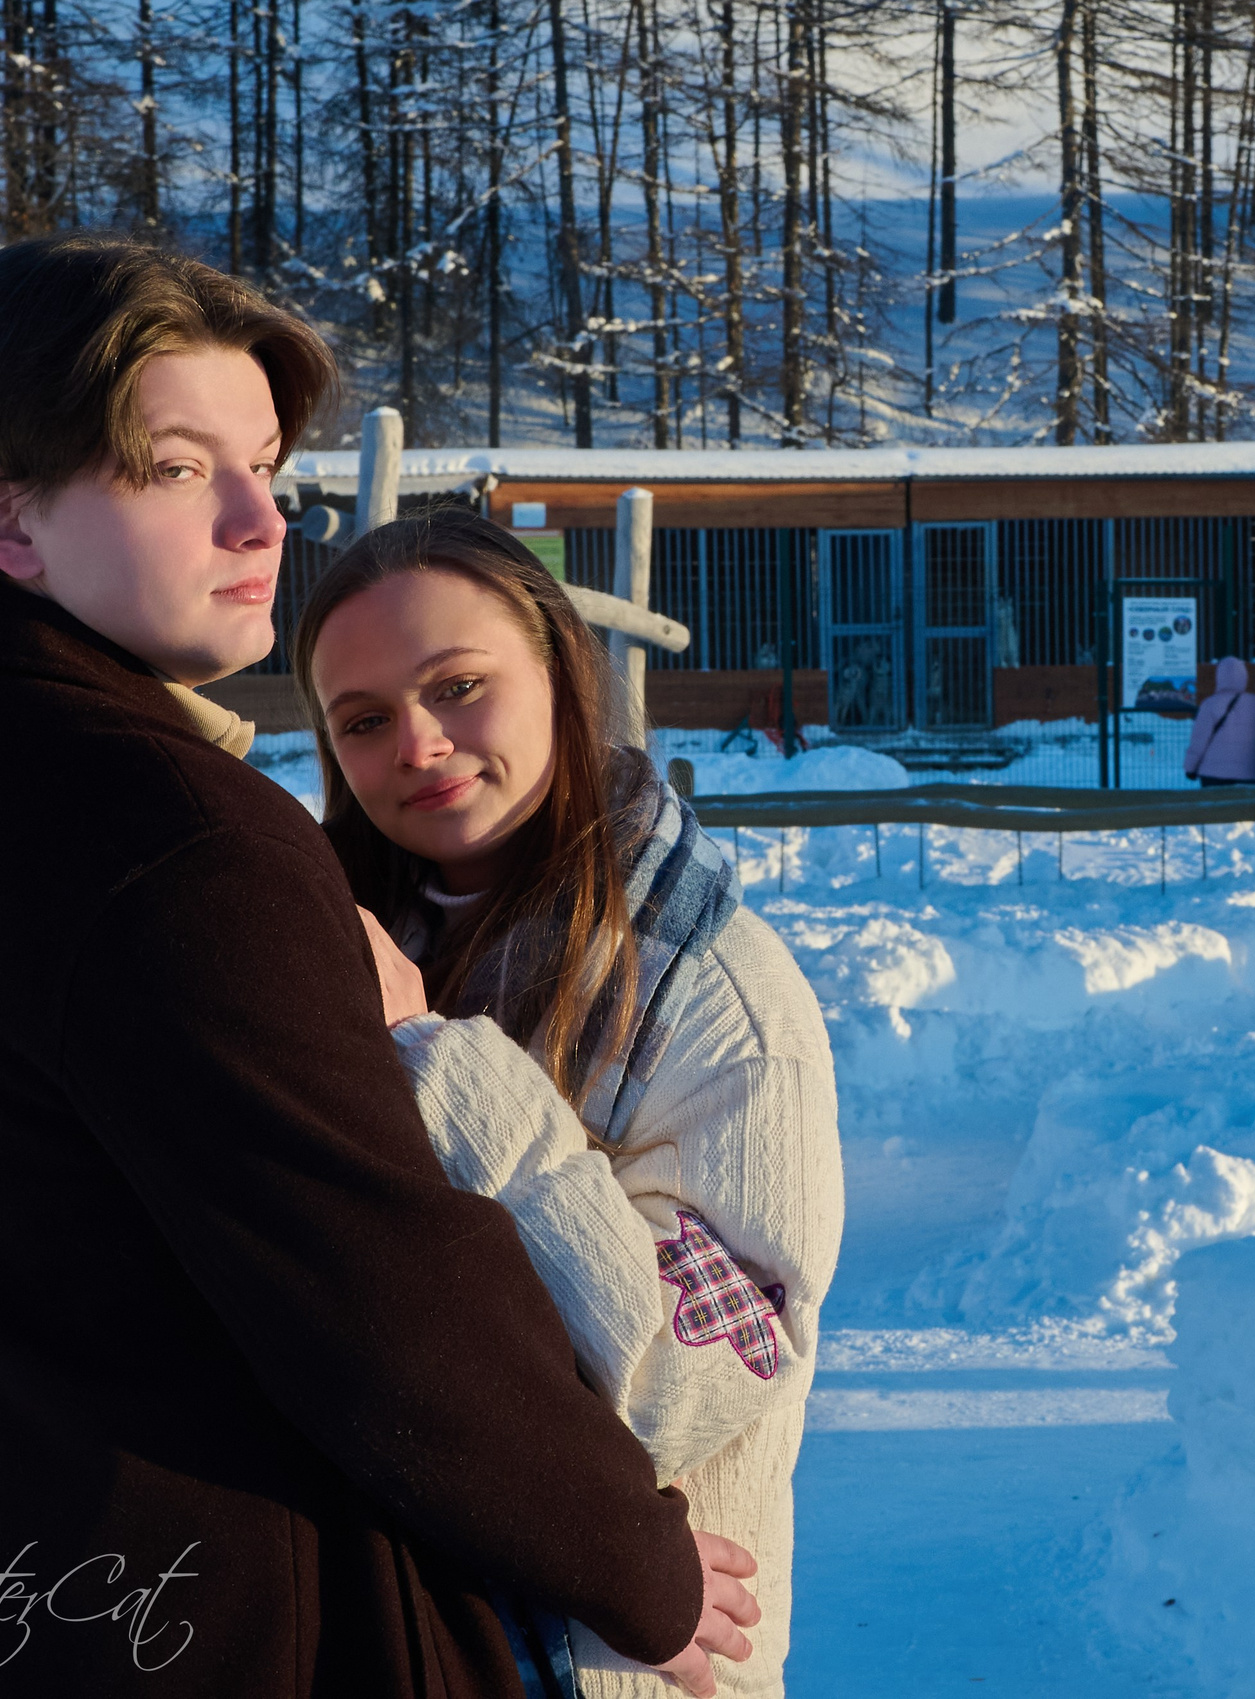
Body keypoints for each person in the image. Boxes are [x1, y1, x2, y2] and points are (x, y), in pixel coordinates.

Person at [0, 234, 754, 1696]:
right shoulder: (176, 834)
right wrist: (633, 1560)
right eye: (175, 468)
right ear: (6, 521)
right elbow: (381, 1297)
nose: (260, 520)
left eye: (265, 466)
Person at [295, 509, 843, 1699]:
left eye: (459, 687)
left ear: (559, 673)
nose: (419, 743)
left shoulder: (718, 998)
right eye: (365, 720)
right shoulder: (326, 959)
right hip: (384, 1640)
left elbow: (678, 1387)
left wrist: (439, 1061)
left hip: (609, 1670)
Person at [1185, 654, 1255, 786]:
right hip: (1247, 772)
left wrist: (1190, 768)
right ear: (1244, 676)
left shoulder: (1209, 704)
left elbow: (1199, 740)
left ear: (1219, 676)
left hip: (1212, 773)